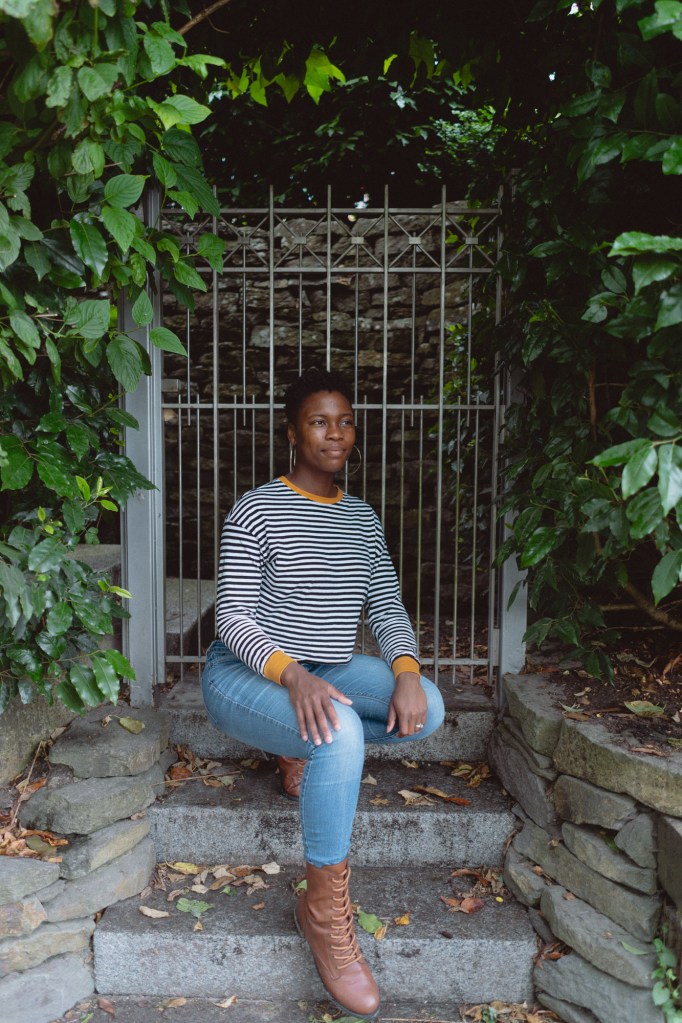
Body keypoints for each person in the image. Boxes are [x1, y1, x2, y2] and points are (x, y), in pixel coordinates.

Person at [201, 367, 445, 1021]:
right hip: (247, 675)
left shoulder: (361, 519)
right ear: (292, 432)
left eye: (343, 420)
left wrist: (406, 669)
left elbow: (388, 606)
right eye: (318, 420)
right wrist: (294, 676)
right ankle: (324, 914)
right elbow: (232, 617)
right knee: (338, 732)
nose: (333, 432)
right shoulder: (255, 508)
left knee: (429, 708)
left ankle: (303, 749)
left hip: (328, 672)